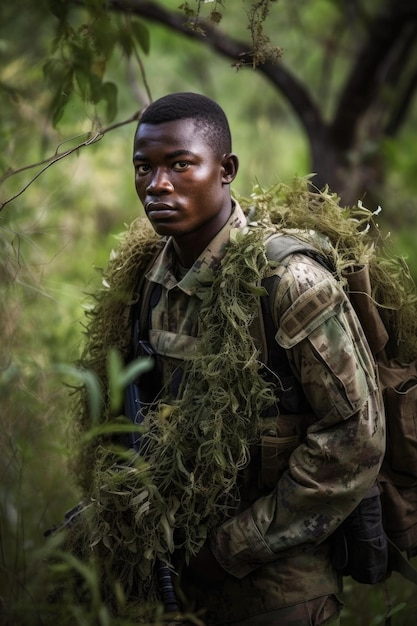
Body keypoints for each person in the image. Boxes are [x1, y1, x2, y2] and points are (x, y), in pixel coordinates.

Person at [73, 92, 385, 625]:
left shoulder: (289, 282)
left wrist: (231, 548)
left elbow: (356, 438)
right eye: (143, 168)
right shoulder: (152, 279)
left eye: (180, 164)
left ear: (226, 170)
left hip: (280, 587)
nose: (157, 185)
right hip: (183, 580)